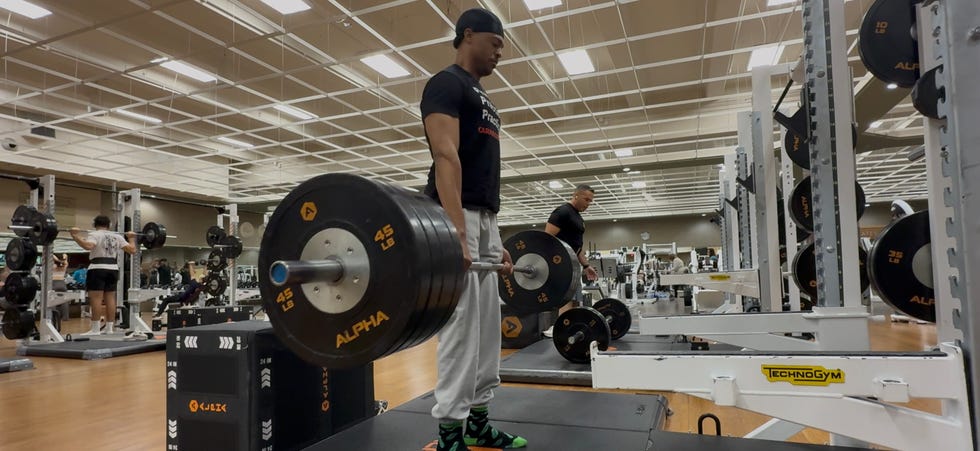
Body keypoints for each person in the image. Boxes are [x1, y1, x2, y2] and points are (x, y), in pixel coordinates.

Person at [421, 8, 524, 451]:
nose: (500, 53)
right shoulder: (446, 83)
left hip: (484, 217)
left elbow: (482, 170)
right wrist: (457, 232)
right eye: (495, 44)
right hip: (455, 214)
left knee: (486, 328)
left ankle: (479, 422)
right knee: (461, 328)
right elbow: (446, 157)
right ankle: (450, 432)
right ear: (468, 35)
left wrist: (493, 239)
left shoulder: (483, 95)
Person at [69, 215, 137, 335]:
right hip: (113, 268)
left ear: (94, 225)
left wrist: (75, 236)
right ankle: (109, 328)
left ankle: (95, 329)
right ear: (109, 225)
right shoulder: (117, 235)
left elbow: (88, 246)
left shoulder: (94, 234)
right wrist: (131, 238)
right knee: (110, 298)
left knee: (96, 299)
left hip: (97, 268)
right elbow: (132, 250)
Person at [544, 185, 599, 318]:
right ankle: (563, 328)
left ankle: (571, 327)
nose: (588, 204)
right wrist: (555, 265)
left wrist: (586, 266)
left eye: (590, 201)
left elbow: (577, 248)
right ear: (576, 195)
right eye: (586, 199)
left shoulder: (578, 217)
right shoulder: (563, 212)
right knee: (566, 301)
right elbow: (546, 239)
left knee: (575, 301)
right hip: (560, 265)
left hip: (572, 265)